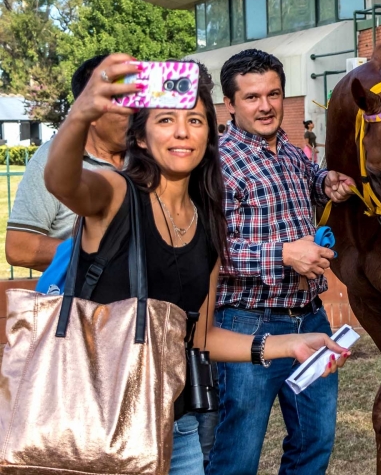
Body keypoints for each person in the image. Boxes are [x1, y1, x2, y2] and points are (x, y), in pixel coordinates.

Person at [41, 54, 349, 474]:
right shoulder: (118, 194)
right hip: (99, 417)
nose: (183, 131)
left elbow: (200, 337)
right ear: (142, 137)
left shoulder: (204, 221)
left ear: (208, 134)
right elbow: (62, 181)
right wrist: (80, 114)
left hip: (176, 421)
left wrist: (289, 345)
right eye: (166, 120)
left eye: (195, 121)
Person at [206, 49, 355, 475]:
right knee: (237, 454)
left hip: (310, 319)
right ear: (230, 104)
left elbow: (305, 179)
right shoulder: (216, 163)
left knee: (315, 444)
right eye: (252, 97)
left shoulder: (289, 152)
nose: (266, 105)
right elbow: (211, 251)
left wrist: (325, 180)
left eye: (274, 94)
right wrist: (284, 254)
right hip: (245, 322)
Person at [6, 55, 125, 273]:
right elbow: (18, 247)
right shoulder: (51, 160)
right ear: (92, 111)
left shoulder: (150, 157)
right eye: (121, 99)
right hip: (83, 301)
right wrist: (101, 256)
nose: (134, 110)